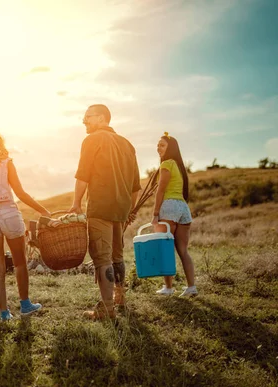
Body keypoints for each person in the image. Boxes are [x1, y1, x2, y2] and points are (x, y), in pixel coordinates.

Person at [0, 129, 50, 321]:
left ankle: (4, 312)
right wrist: (42, 210)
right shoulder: (6, 163)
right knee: (20, 263)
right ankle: (25, 304)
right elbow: (20, 193)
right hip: (9, 212)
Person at [69, 104, 141, 320]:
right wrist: (130, 210)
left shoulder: (92, 140)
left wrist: (76, 203)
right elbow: (135, 186)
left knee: (102, 259)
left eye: (87, 116)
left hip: (100, 206)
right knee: (117, 256)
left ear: (101, 118)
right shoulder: (127, 144)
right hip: (121, 208)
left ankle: (107, 310)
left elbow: (83, 175)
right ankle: (120, 298)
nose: (84, 121)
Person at [152, 132, 197, 297]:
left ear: (171, 148)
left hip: (169, 206)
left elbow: (161, 190)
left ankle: (169, 288)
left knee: (165, 249)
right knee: (183, 250)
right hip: (183, 208)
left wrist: (155, 213)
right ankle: (191, 287)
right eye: (157, 145)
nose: (158, 148)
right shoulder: (179, 166)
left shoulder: (167, 164)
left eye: (162, 145)